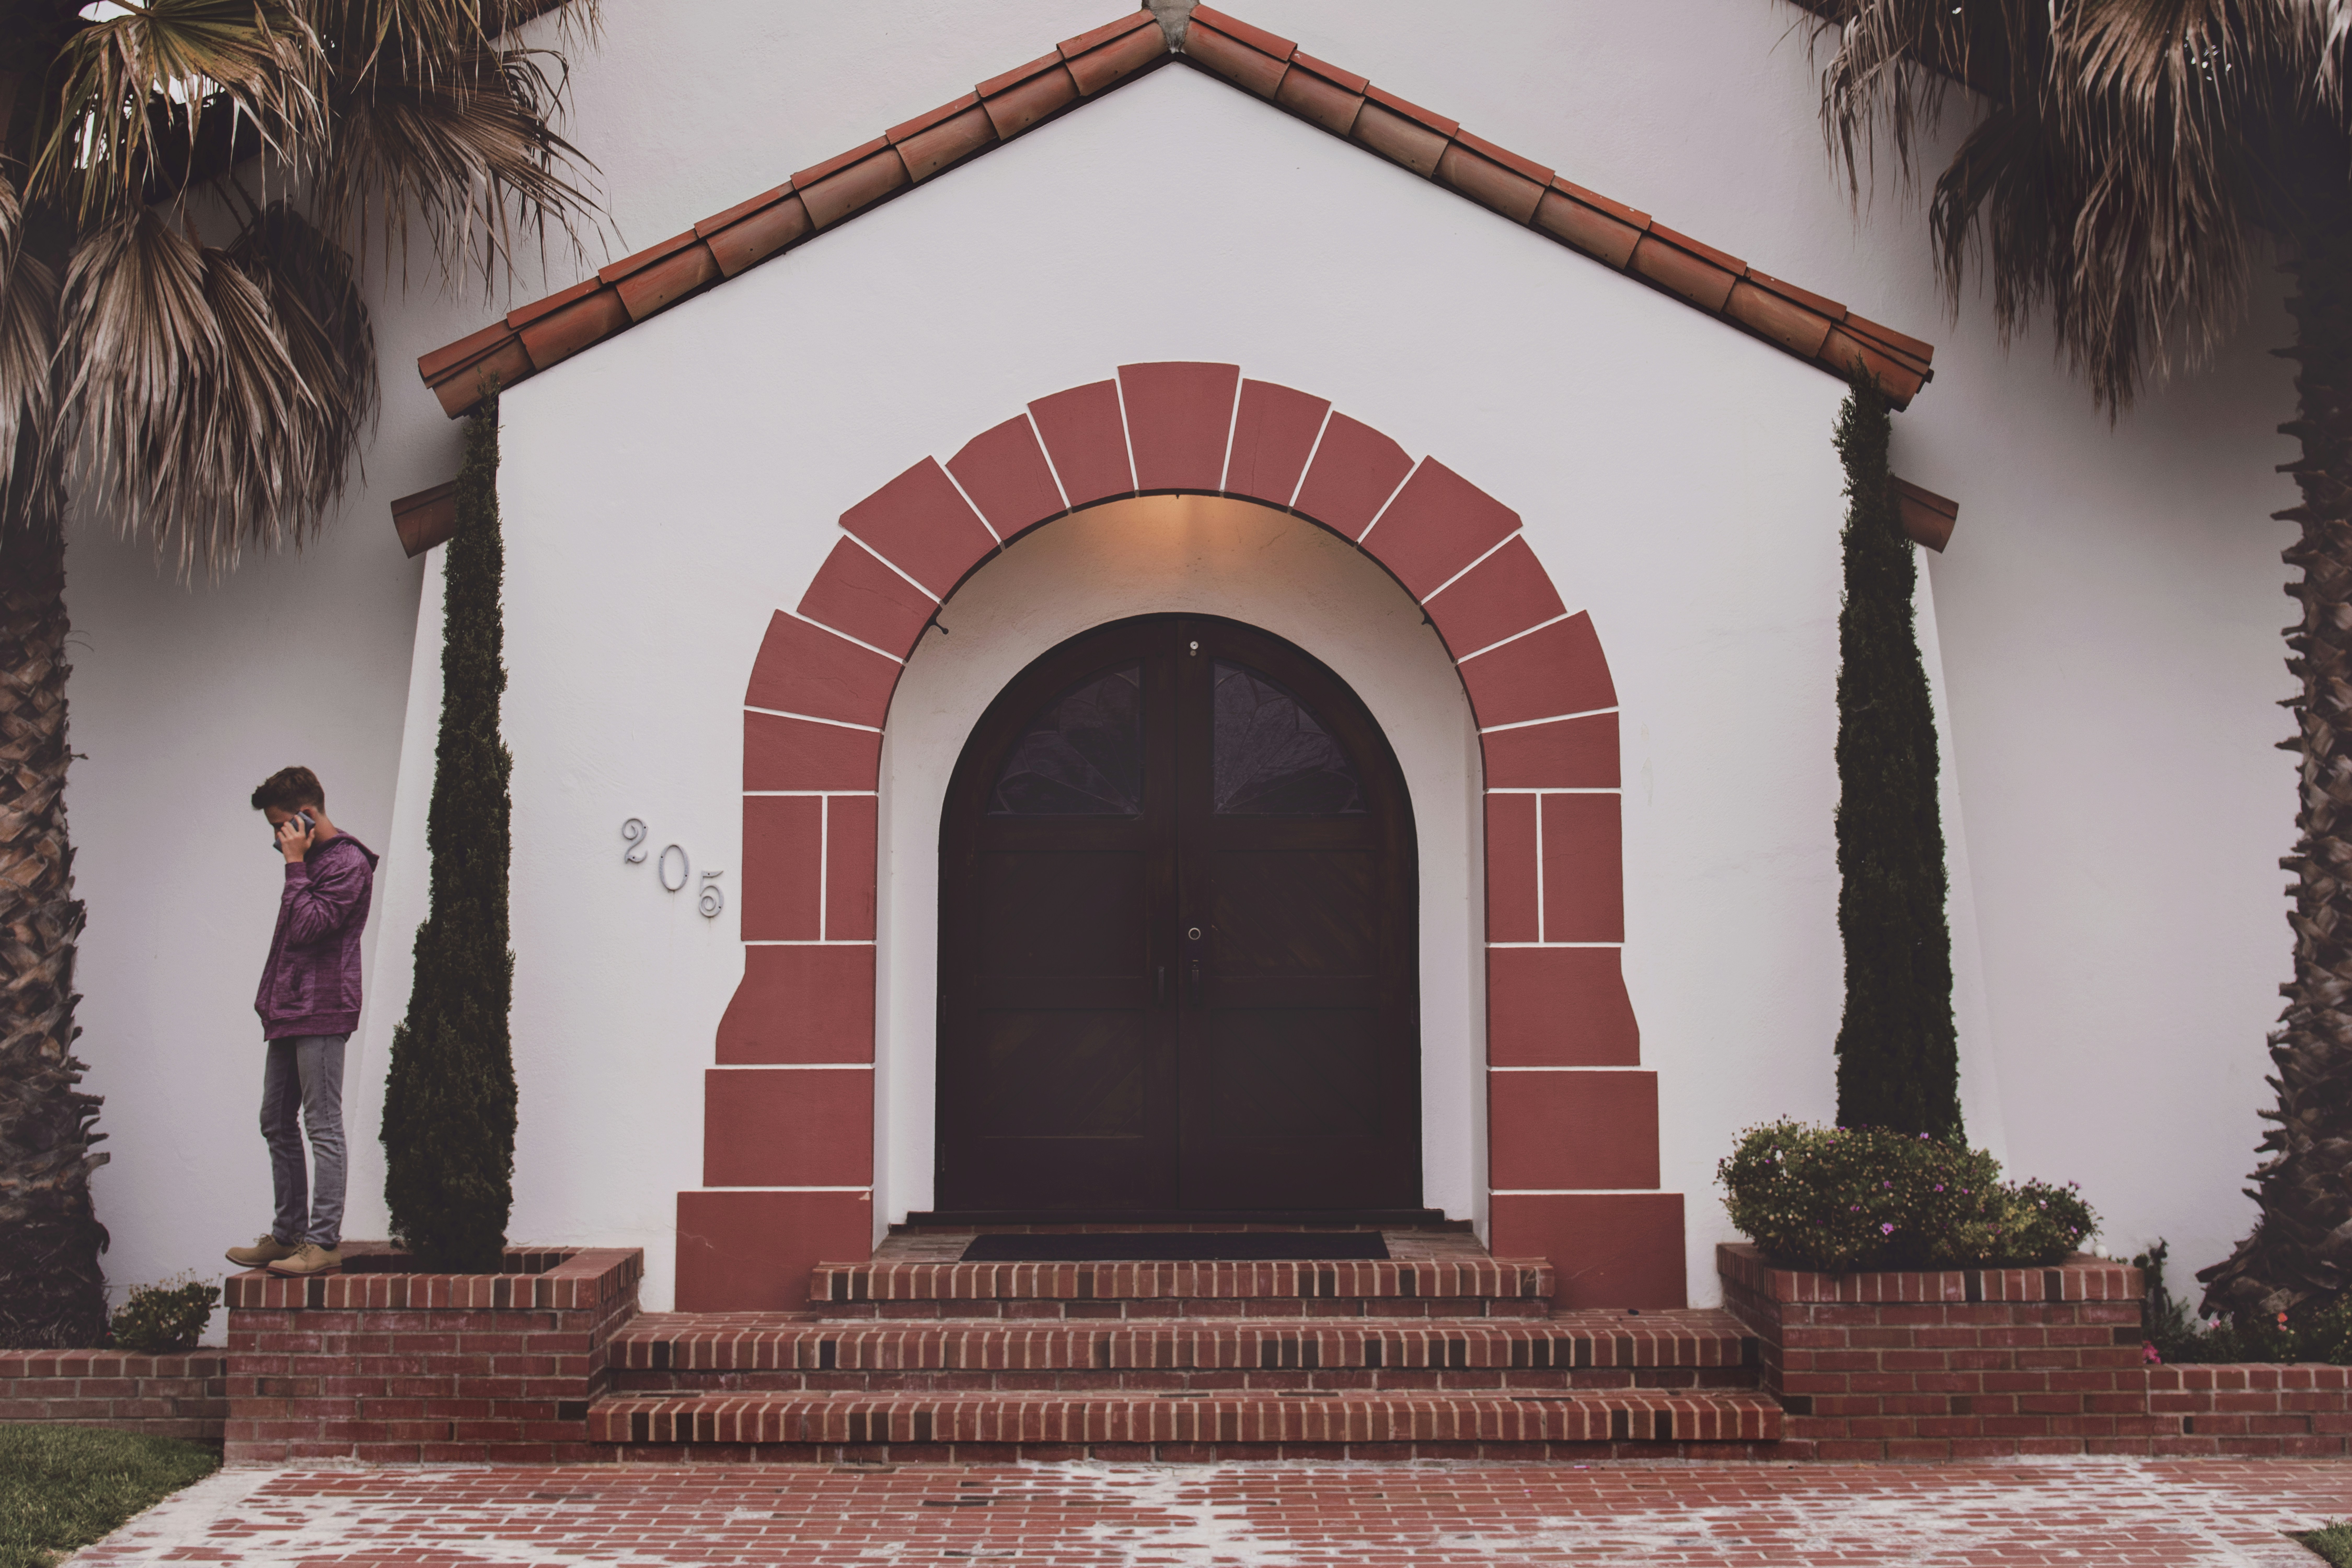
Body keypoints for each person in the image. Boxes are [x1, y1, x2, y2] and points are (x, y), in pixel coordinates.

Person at [225, 767, 378, 1278]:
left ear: (306, 815)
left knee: (322, 1126)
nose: (277, 836)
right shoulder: (309, 862)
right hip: (290, 1011)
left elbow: (310, 927)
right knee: (275, 1121)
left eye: (281, 824)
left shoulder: (348, 863)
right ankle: (288, 1235)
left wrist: (294, 864)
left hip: (323, 1009)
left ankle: (323, 1241)